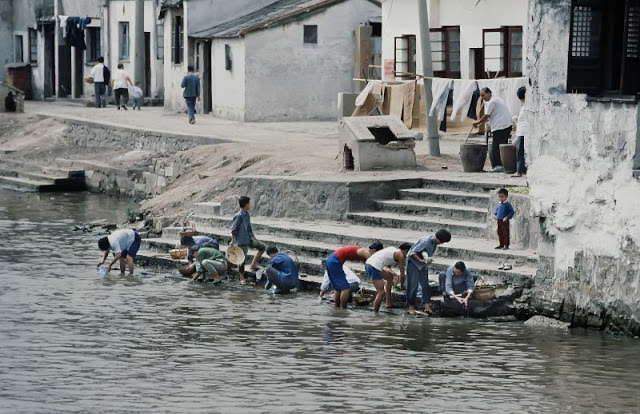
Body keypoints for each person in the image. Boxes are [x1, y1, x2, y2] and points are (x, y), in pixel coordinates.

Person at [406, 229, 451, 315]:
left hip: (423, 263)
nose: (441, 244)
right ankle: (411, 307)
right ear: (437, 238)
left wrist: (424, 261)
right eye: (441, 242)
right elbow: (412, 252)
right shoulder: (426, 241)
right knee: (413, 285)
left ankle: (426, 306)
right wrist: (421, 261)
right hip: (413, 263)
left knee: (425, 285)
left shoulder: (434, 242)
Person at [325, 242, 383, 309]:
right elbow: (373, 264)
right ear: (373, 250)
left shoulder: (364, 251)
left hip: (331, 259)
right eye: (378, 254)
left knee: (338, 288)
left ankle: (337, 308)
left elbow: (368, 266)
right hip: (335, 261)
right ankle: (344, 310)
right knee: (345, 289)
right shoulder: (366, 252)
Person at [472, 87, 513, 172]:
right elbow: (490, 116)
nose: (482, 98)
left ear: (489, 93)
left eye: (483, 95)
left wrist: (477, 123)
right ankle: (503, 165)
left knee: (495, 147)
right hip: (506, 125)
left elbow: (486, 116)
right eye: (481, 96)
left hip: (501, 126)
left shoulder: (492, 102)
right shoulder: (497, 99)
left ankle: (497, 166)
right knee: (502, 146)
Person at [365, 243, 412, 312]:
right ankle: (376, 314)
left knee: (389, 278)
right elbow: (402, 274)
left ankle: (388, 303)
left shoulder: (392, 250)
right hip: (374, 266)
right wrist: (402, 285)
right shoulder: (401, 256)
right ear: (406, 251)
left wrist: (394, 275)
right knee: (381, 292)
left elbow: (387, 266)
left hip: (370, 263)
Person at [230, 196, 265, 285]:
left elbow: (249, 227)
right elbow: (233, 229)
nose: (251, 204)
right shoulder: (239, 216)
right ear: (246, 204)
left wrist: (254, 237)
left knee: (262, 247)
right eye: (250, 203)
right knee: (242, 260)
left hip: (248, 238)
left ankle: (253, 265)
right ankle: (241, 277)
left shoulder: (246, 214)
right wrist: (233, 241)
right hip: (241, 242)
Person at [513, 86, 528, 177]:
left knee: (520, 153)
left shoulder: (525, 107)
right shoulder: (525, 106)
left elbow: (522, 122)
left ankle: (519, 171)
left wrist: (515, 120)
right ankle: (523, 170)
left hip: (522, 132)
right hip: (523, 132)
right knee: (523, 153)